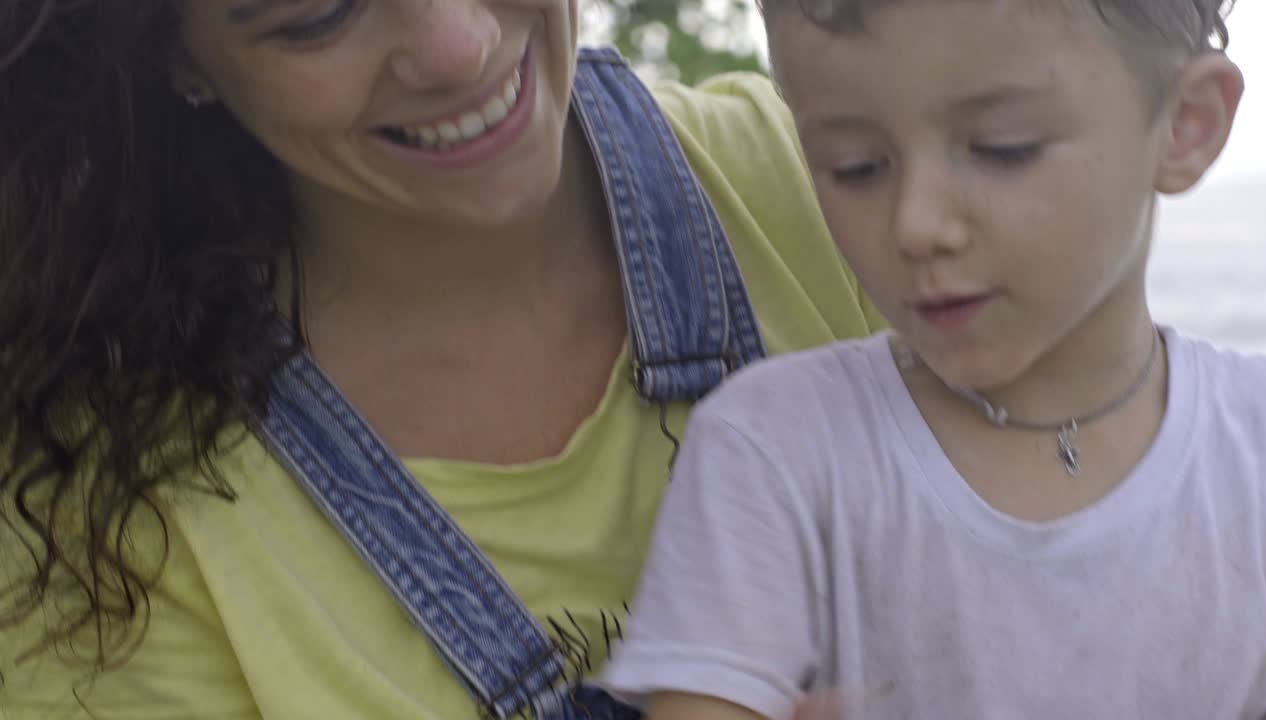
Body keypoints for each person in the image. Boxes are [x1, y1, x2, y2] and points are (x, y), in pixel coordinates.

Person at [0, 1, 887, 718]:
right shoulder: (88, 515)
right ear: (178, 57)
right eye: (318, 19)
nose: (460, 47)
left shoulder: (850, 187)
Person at [601, 0, 1266, 718]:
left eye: (1001, 147)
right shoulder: (770, 451)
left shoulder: (1262, 452)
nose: (916, 224)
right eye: (855, 167)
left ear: (1186, 124)